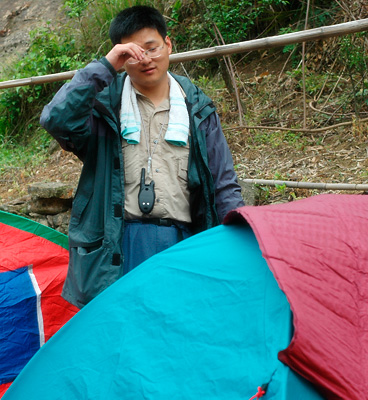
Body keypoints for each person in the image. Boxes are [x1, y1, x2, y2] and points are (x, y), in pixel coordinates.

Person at [40, 5, 244, 309]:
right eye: (134, 53)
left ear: (169, 44)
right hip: (118, 247)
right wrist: (106, 66)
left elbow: (223, 183)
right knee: (123, 340)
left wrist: (240, 243)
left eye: (153, 48)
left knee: (175, 338)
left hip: (183, 243)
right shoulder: (104, 107)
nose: (146, 59)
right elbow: (57, 119)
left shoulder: (197, 109)